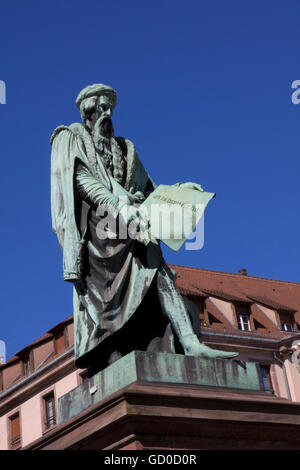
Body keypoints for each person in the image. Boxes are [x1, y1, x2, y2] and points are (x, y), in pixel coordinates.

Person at [50, 83, 238, 371]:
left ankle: (188, 341)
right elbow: (82, 182)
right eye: (102, 108)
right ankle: (118, 345)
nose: (108, 113)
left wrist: (178, 191)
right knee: (141, 247)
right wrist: (119, 207)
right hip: (100, 233)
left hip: (129, 224)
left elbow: (148, 190)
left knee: (153, 255)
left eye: (110, 108)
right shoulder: (71, 137)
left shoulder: (125, 148)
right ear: (88, 111)